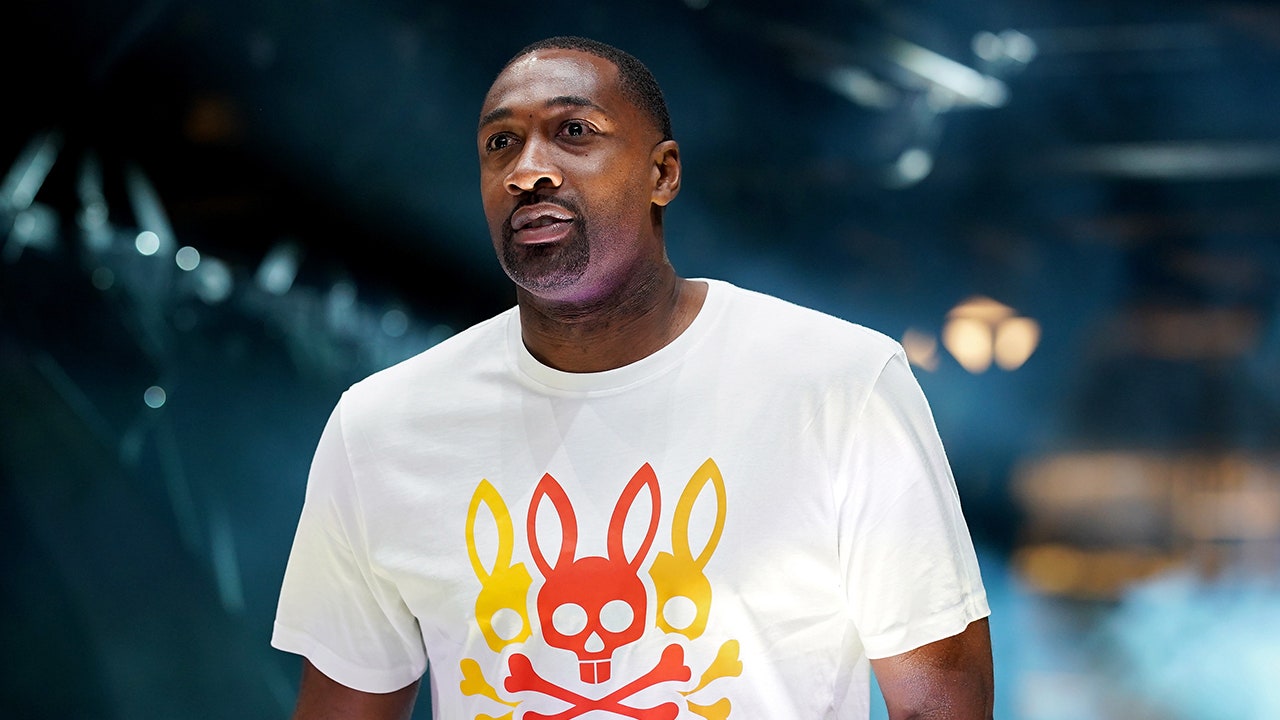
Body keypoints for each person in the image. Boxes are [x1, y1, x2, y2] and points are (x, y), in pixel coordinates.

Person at [272, 35, 993, 720]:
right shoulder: (382, 427)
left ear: (663, 174)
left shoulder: (840, 384)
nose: (527, 170)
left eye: (574, 132)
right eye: (501, 144)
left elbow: (939, 704)